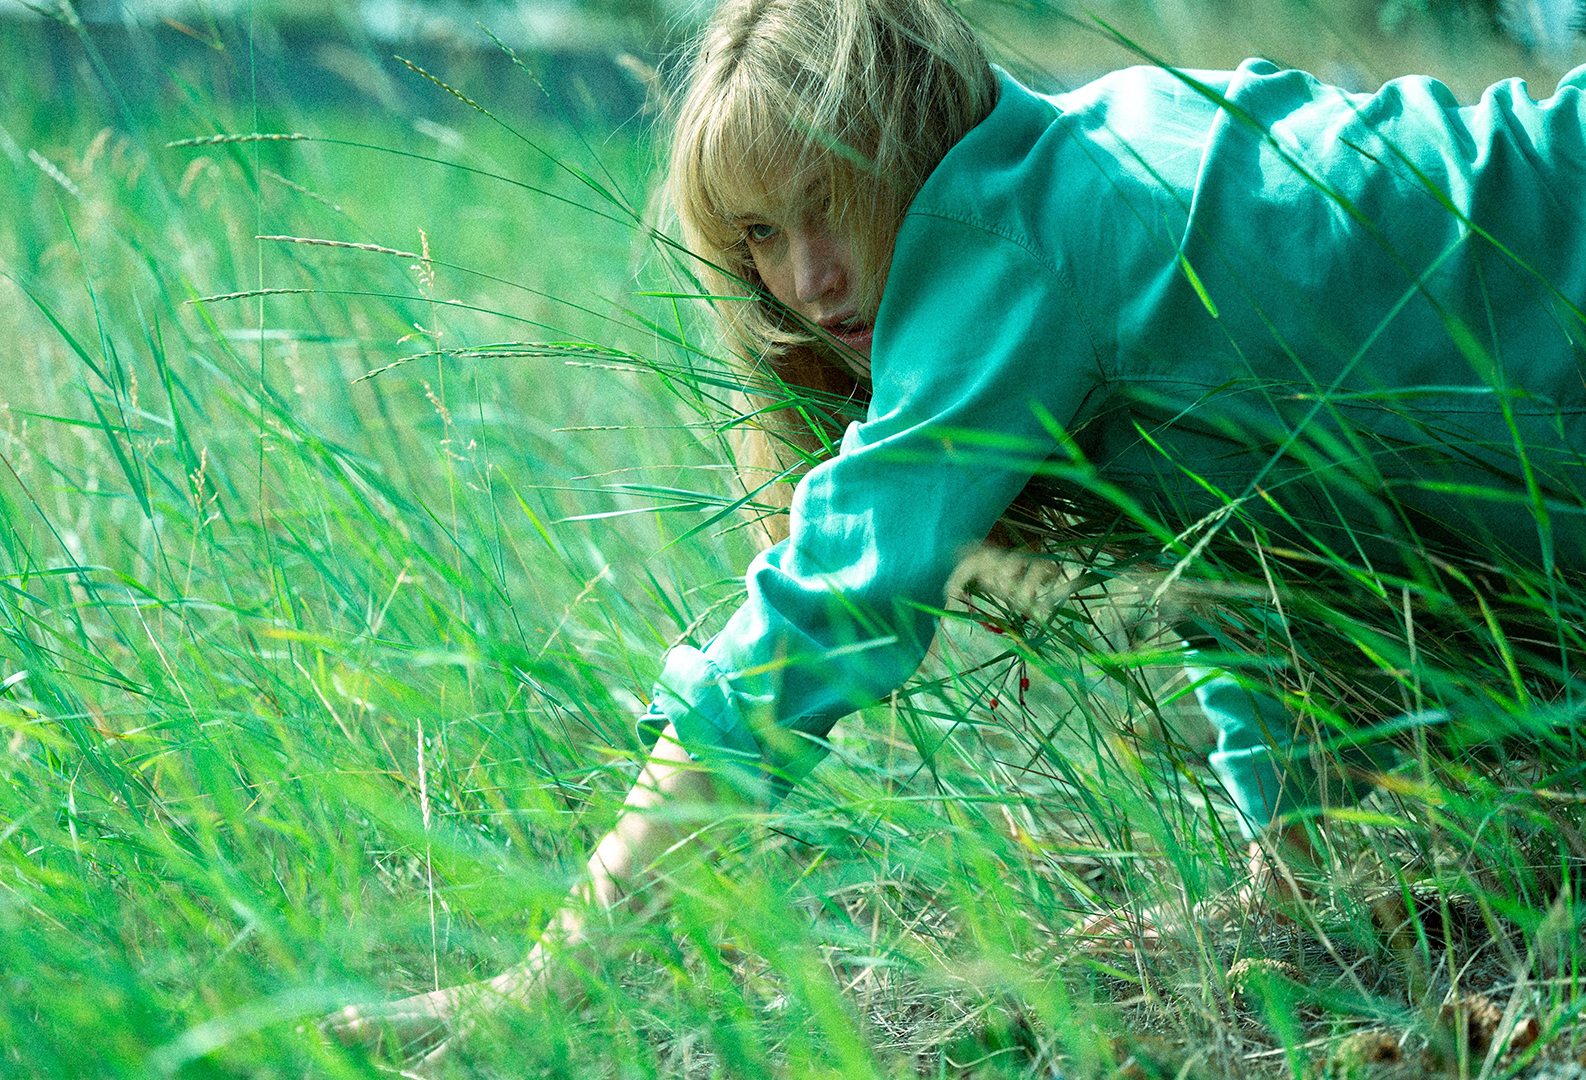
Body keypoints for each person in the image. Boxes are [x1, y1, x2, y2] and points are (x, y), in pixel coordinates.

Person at [329, 0, 1586, 1060]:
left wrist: (553, 975)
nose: (810, 279)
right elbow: (1251, 548)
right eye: (761, 234)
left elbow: (816, 622)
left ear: (909, 146)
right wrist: (1291, 878)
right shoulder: (1090, 154)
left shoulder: (1010, 249)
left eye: (829, 201)